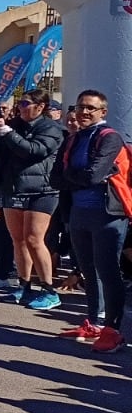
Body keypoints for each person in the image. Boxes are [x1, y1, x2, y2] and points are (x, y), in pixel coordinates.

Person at [52, 91, 130, 352]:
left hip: (108, 215)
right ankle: (95, 323)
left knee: (108, 272)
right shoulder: (74, 138)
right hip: (78, 213)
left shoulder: (110, 138)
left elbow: (93, 176)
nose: (84, 112)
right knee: (88, 270)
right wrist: (80, 176)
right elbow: (56, 179)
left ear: (102, 113)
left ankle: (113, 330)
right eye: (80, 107)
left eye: (91, 108)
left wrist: (75, 176)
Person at [0, 88, 65, 310]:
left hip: (41, 191)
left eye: (25, 104)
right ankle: (23, 285)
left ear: (40, 106)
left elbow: (33, 151)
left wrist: (6, 132)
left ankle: (48, 290)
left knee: (35, 239)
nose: (20, 108)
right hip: (13, 188)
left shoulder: (52, 129)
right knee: (18, 240)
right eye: (20, 104)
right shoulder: (15, 125)